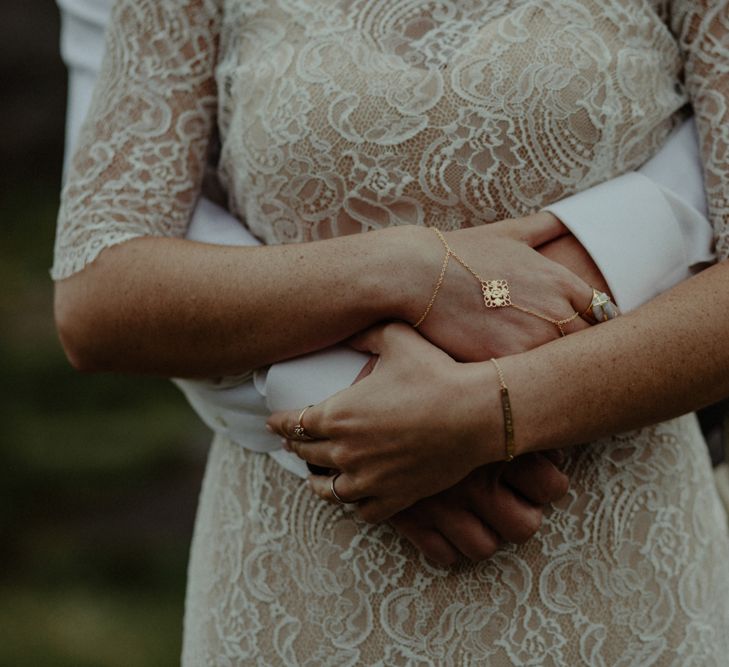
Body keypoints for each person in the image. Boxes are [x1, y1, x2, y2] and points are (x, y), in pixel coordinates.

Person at [53, 0, 729, 663]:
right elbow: (97, 291)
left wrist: (491, 411)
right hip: (304, 594)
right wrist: (405, 268)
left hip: (618, 583)